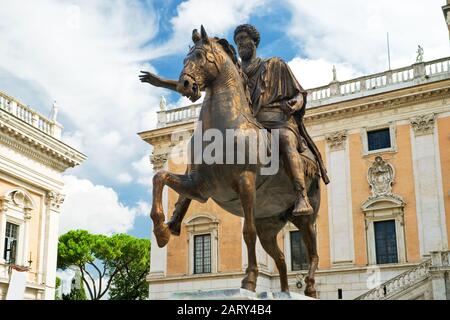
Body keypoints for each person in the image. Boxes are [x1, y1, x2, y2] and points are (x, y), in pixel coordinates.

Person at [233, 24, 329, 215]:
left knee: (284, 139)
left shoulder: (275, 65)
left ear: (254, 41)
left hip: (277, 120)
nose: (240, 44)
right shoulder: (235, 74)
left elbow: (299, 93)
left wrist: (294, 103)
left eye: (243, 38)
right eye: (237, 41)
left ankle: (301, 196)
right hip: (251, 123)